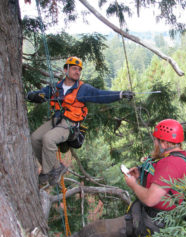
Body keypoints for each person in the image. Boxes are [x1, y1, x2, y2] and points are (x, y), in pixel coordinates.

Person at [30, 119, 186, 237]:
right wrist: (141, 171)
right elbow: (165, 183)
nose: (155, 143)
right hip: (154, 221)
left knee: (95, 230)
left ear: (164, 142)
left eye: (156, 140)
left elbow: (150, 199)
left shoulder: (171, 163)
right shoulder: (179, 158)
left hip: (152, 224)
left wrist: (133, 185)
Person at [26, 56, 134, 186]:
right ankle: (54, 168)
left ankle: (48, 172)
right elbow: (41, 93)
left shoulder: (83, 89)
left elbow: (100, 95)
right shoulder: (57, 87)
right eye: (74, 69)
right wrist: (33, 96)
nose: (77, 72)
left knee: (48, 139)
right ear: (66, 69)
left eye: (79, 70)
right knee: (35, 138)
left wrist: (120, 94)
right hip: (56, 120)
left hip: (70, 125)